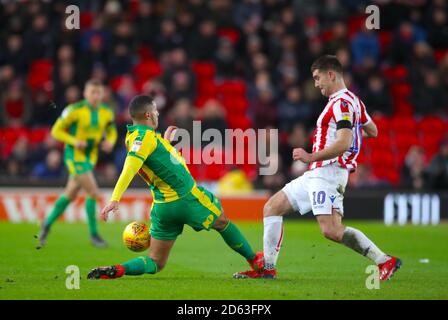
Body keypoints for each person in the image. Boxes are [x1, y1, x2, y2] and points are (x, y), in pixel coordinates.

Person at [234, 55, 401, 281]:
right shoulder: (355, 102)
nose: (316, 84)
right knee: (272, 207)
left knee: (331, 230)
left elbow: (342, 142)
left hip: (328, 173)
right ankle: (268, 269)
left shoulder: (342, 103)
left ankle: (384, 260)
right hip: (317, 173)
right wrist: (352, 140)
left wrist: (310, 155)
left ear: (331, 74)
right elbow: (372, 131)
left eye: (317, 77)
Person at [87, 95, 263, 279]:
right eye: (155, 111)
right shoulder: (143, 137)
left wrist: (167, 143)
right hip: (185, 197)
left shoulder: (136, 136)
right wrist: (115, 198)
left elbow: (156, 161)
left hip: (163, 207)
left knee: (155, 262)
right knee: (223, 223)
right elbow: (130, 166)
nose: (157, 114)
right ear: (148, 114)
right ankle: (256, 262)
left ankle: (119, 269)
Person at [37, 80, 117, 248]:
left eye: (98, 93)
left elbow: (111, 130)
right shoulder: (73, 110)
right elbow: (56, 131)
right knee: (93, 191)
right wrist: (74, 141)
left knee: (71, 194)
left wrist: (110, 141)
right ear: (85, 94)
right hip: (74, 155)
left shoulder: (106, 112)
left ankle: (47, 224)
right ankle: (94, 235)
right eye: (92, 92)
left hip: (91, 157)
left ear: (102, 94)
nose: (96, 96)